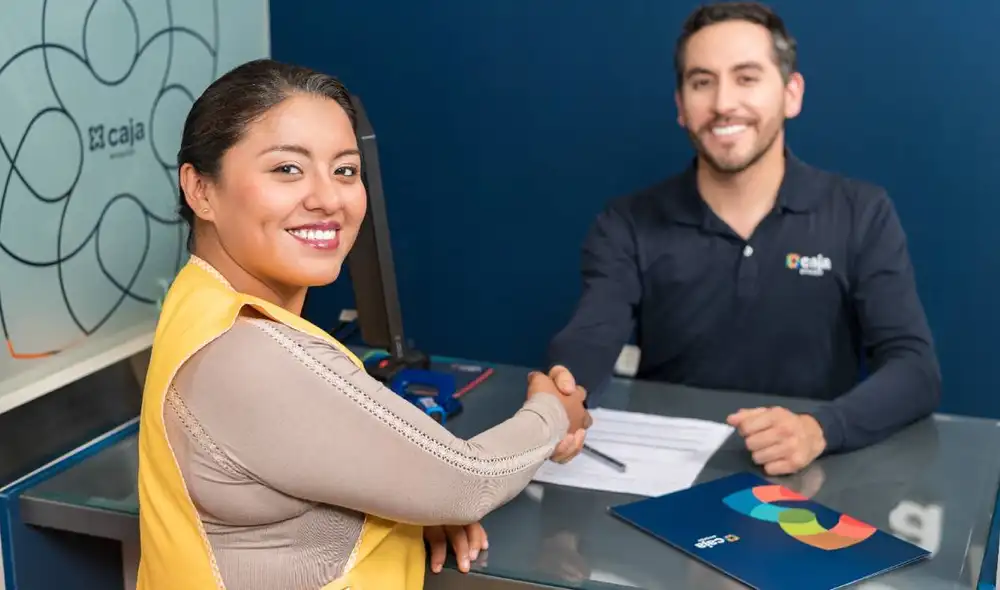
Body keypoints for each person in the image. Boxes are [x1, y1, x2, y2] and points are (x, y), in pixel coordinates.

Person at [135, 58, 589, 590]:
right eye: (287, 169)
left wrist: (408, 507)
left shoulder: (198, 298)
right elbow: (470, 481)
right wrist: (553, 412)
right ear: (201, 190)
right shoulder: (247, 354)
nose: (328, 198)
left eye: (346, 170)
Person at [545, 1, 940, 476]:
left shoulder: (861, 212)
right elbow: (590, 337)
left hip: (811, 479)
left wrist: (819, 429)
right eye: (702, 82)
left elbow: (915, 368)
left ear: (791, 94)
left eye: (747, 78)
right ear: (680, 106)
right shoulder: (626, 223)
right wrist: (561, 397)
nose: (723, 104)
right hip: (664, 478)